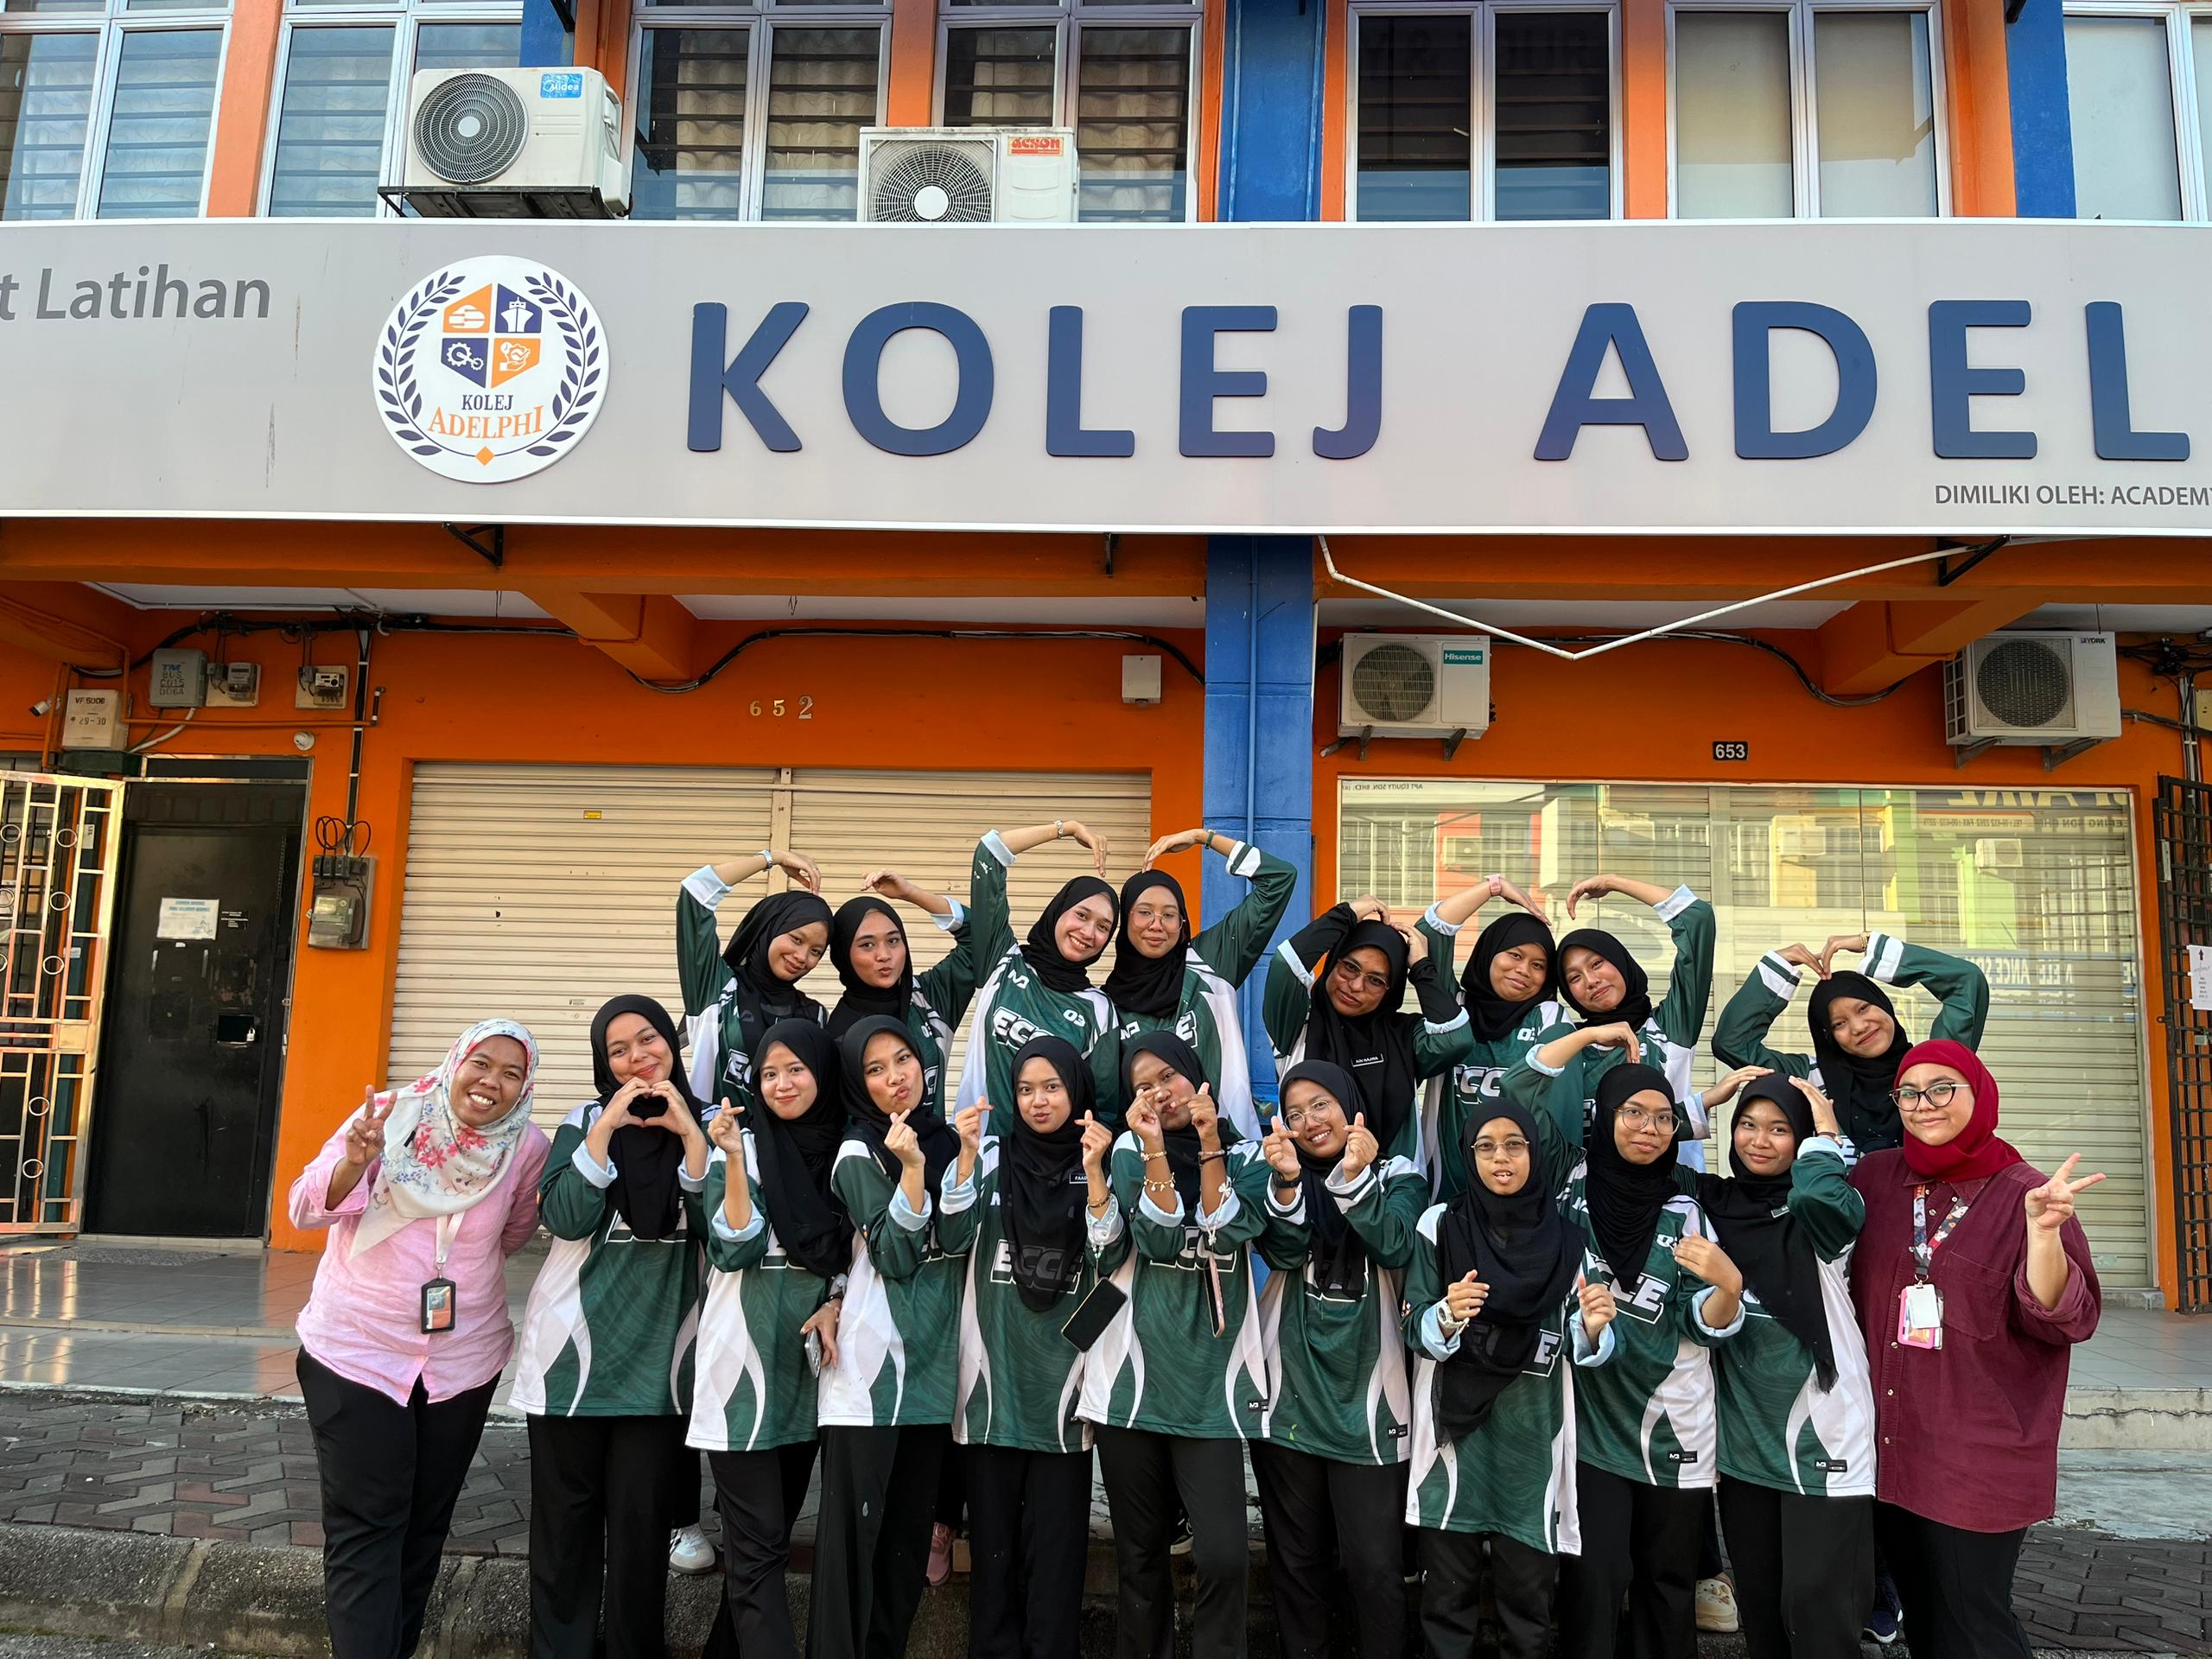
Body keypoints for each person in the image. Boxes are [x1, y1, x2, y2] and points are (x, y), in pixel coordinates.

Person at [288, 1020, 550, 1659]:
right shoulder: (391, 1115)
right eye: (481, 1063)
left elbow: (513, 1233)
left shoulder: (526, 1146)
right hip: (357, 1350)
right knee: (367, 1526)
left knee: (424, 1528)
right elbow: (304, 1208)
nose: (491, 1082)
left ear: (524, 1088)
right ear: (456, 1061)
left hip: (463, 1363)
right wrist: (356, 1162)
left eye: (511, 1074)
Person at [1847, 1039, 2102, 1659]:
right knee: (1925, 1616)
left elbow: (2065, 1319)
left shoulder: (2030, 1194)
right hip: (1888, 1445)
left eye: (1942, 1088)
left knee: (1972, 1620)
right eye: (1909, 1092)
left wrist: (2044, 1236)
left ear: (1980, 1093)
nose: (1924, 1104)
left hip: (1975, 1455)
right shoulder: (1875, 1179)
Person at [1510, 1054, 1743, 1659]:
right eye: (1633, 1113)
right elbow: (1518, 1092)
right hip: (1590, 1422)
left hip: (1673, 1422)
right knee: (1593, 1577)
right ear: (1606, 1116)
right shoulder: (1567, 1182)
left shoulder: (1685, 1209)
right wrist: (1593, 1034)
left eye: (1664, 1118)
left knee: (1667, 1584)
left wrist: (1729, 1288)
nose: (1649, 1128)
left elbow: (1702, 1322)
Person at [512, 995, 713, 1659]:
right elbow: (566, 1217)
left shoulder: (711, 1123)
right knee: (565, 1531)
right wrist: (605, 1129)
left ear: (671, 1045)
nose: (637, 1058)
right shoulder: (581, 1122)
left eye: (648, 1040)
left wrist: (692, 1138)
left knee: (641, 1533)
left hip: (661, 1365)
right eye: (617, 1050)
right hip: (571, 1358)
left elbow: (721, 1230)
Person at [1402, 1090, 1618, 1659]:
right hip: (1454, 1441)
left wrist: (1594, 1327)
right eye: (1486, 1146)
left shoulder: (1569, 1238)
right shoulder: (1440, 1225)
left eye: (1515, 1145)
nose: (1501, 1158)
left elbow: (1586, 1341)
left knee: (1528, 1610)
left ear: (1535, 1153)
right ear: (1468, 1155)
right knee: (1446, 1605)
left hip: (1533, 1442)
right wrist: (1446, 1313)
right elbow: (1414, 1326)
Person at [1081, 1032, 1271, 1659]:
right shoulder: (1128, 1151)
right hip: (1133, 1373)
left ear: (1196, 1073)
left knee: (1223, 1554)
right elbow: (1158, 1241)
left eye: (1169, 1076)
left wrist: (1210, 1142)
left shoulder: (1246, 1153)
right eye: (1143, 1086)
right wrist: (1156, 1151)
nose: (1159, 1092)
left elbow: (1226, 1232)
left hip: (1211, 1379)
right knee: (1140, 1556)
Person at [825, 868, 990, 1586]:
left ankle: (939, 1518)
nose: (884, 954)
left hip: (935, 1151)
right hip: (872, 1179)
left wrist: (913, 896)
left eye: (892, 939)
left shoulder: (930, 999)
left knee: (949, 1359)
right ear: (843, 955)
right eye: (865, 944)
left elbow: (982, 943)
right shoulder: (831, 1028)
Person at [938, 1035, 1122, 1659]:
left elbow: (1114, 1265)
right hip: (991, 1384)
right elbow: (954, 1238)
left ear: (1077, 1091)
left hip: (1063, 1389)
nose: (1038, 1101)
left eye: (1052, 1087)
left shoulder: (1102, 1160)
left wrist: (1094, 1176)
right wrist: (965, 1158)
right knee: (993, 1557)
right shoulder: (989, 1156)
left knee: (1058, 1560)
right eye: (1024, 1089)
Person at [1690, 1071, 1876, 1659]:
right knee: (1763, 1612)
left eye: (1779, 1129)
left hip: (1825, 1437)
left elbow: (1819, 1195)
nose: (1759, 1141)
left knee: (1819, 1613)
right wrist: (1703, 1102)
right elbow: (1632, 1159)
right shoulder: (1716, 1203)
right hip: (1745, 1443)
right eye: (1747, 1125)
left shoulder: (1826, 1212)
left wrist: (1826, 1133)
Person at [1249, 1061, 1426, 1659]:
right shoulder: (1280, 1174)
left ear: (1351, 1106)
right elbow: (1283, 1250)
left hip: (1370, 1403)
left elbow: (1396, 1243)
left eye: (1320, 1104)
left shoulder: (1398, 1175)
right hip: (1289, 1395)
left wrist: (1353, 1179)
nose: (1308, 1122)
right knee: (1297, 1565)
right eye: (1294, 1113)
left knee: (1375, 1566)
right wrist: (1288, 1184)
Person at [689, 1020, 849, 1659]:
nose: (781, 1084)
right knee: (756, 1549)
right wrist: (732, 1159)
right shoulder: (743, 1146)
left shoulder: (848, 1149)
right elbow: (733, 1248)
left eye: (796, 1070)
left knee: (770, 1542)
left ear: (823, 1073)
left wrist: (837, 1299)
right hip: (741, 1367)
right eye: (768, 1073)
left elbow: (858, 1258)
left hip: (808, 1370)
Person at [810, 1016, 969, 1659]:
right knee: (851, 1550)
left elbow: (957, 1242)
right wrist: (911, 1171)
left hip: (934, 1365)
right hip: (871, 1369)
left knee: (905, 1547)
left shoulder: (949, 1139)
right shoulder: (858, 1151)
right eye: (874, 1069)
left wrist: (955, 1162)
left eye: (902, 1060)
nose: (895, 1078)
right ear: (857, 1083)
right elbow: (897, 1255)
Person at [1713, 931, 1991, 1160]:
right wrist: (1779, 966)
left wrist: (1871, 945)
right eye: (1839, 1024)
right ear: (1828, 1037)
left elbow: (1967, 982)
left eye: (1863, 1008)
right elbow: (1733, 1043)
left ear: (1884, 1005)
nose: (1858, 1027)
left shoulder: (1931, 1068)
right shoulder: (1811, 1079)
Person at [1101, 826, 1298, 1139]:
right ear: (1125, 922)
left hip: (1229, 1147)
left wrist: (1203, 838)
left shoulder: (1210, 961)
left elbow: (1279, 878)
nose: (1156, 925)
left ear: (1182, 923)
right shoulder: (1105, 1007)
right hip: (1150, 1155)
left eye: (1169, 915)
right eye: (1144, 913)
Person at [1261, 892, 1472, 1172]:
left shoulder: (1404, 1035)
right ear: (1333, 961)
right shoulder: (1298, 1025)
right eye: (1349, 967)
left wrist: (1421, 968)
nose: (1355, 986)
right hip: (1304, 1185)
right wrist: (1345, 914)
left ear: (1390, 990)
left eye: (1375, 980)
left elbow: (1456, 1039)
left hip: (1391, 1187)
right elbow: (1284, 966)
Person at [1527, 873, 1718, 1169]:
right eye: (1575, 978)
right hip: (1584, 1195)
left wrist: (1615, 882)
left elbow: (1698, 919)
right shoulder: (1567, 1048)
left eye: (1597, 963)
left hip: (1670, 1191)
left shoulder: (1670, 1027)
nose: (1591, 980)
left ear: (1621, 961)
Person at [951, 818, 1123, 1132]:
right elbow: (989, 853)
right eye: (1081, 915)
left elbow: (1103, 1110)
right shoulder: (1003, 960)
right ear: (1058, 911)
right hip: (977, 1149)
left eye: (1103, 927)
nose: (1088, 932)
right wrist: (1067, 828)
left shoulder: (1099, 1010)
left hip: (1050, 1160)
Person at [1416, 873, 1562, 1199]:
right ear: (1489, 953)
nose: (1524, 970)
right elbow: (1430, 932)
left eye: (1539, 965)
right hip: (1448, 1186)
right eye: (1515, 955)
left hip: (1521, 1195)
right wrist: (1493, 888)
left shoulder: (1549, 1018)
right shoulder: (1454, 1007)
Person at [677, 846, 833, 1108]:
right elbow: (695, 893)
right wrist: (773, 857)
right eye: (796, 939)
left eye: (815, 951)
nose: (802, 957)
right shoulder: (715, 987)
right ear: (769, 929)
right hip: (714, 1133)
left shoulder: (814, 1015)